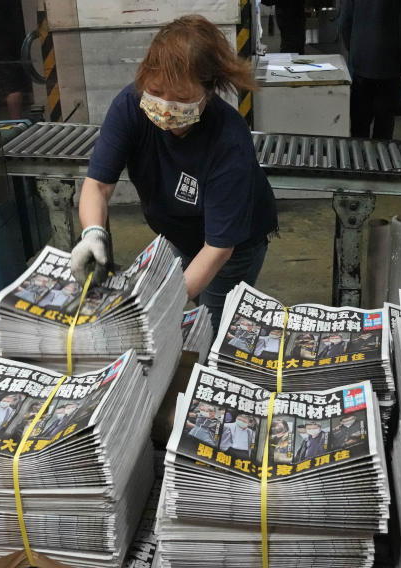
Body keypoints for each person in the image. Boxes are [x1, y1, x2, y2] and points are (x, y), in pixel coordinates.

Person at [69, 16, 278, 332]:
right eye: (156, 91)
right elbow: (97, 185)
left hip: (233, 243)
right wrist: (93, 233)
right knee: (177, 305)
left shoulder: (228, 140)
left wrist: (165, 305)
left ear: (208, 91)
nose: (165, 107)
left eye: (180, 98)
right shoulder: (130, 106)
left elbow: (218, 248)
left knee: (213, 325)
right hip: (179, 231)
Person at [339, 0, 401, 140]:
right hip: (389, 66)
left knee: (359, 121)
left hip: (361, 64)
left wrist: (355, 48)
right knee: (384, 122)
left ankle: (358, 158)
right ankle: (380, 159)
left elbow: (344, 22)